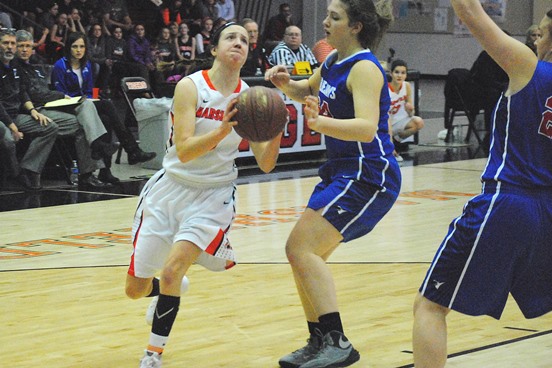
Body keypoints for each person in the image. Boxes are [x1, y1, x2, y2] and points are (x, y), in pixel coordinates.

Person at [125, 22, 282, 368]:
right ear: (214, 49)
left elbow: (266, 164)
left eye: (244, 39)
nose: (238, 42)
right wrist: (226, 128)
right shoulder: (190, 86)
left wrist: (276, 128)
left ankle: (153, 354)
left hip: (213, 196)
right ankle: (168, 291)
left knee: (171, 270)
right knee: (135, 289)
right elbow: (183, 151)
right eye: (231, 37)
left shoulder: (251, 100)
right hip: (170, 189)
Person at [412, 2, 552, 368]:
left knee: (429, 305)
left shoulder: (529, 67)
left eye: (540, 29)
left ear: (548, 34)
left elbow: (471, 14)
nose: (535, 35)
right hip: (548, 211)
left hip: (509, 201)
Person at [265, 0, 398, 367]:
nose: (325, 22)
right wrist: (285, 84)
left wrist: (320, 124)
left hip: (368, 174)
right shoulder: (332, 61)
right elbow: (306, 91)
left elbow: (368, 127)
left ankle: (337, 341)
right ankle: (319, 340)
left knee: (301, 249)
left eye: (334, 17)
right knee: (302, 254)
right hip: (341, 171)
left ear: (355, 26)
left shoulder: (366, 69)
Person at [14, 29, 115, 189]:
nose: (25, 49)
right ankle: (98, 146)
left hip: (46, 107)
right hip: (31, 111)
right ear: (14, 47)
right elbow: (34, 94)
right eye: (21, 46)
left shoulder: (35, 68)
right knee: (86, 119)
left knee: (86, 121)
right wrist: (60, 96)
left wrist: (55, 96)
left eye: (28, 46)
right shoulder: (15, 69)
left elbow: (44, 92)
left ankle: (87, 174)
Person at [51, 32, 156, 183]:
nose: (78, 50)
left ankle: (105, 171)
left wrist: (92, 98)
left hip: (86, 103)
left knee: (106, 118)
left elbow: (89, 90)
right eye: (75, 47)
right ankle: (132, 150)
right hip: (68, 106)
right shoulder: (60, 66)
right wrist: (81, 99)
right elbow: (59, 93)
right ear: (69, 48)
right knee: (107, 105)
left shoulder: (87, 65)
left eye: (82, 46)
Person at [0, 27, 58, 190]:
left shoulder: (15, 66)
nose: (10, 47)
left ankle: (29, 168)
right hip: (3, 118)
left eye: (13, 43)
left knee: (49, 127)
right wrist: (12, 126)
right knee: (8, 139)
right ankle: (16, 175)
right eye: (6, 43)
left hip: (16, 115)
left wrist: (33, 111)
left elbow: (22, 92)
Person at [388, 59, 424, 161]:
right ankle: (390, 147)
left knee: (418, 122)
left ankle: (396, 141)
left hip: (399, 121)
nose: (399, 75)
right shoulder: (386, 90)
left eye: (403, 73)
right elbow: (385, 118)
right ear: (391, 74)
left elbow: (411, 114)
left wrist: (410, 109)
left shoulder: (406, 86)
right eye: (397, 72)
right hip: (387, 123)